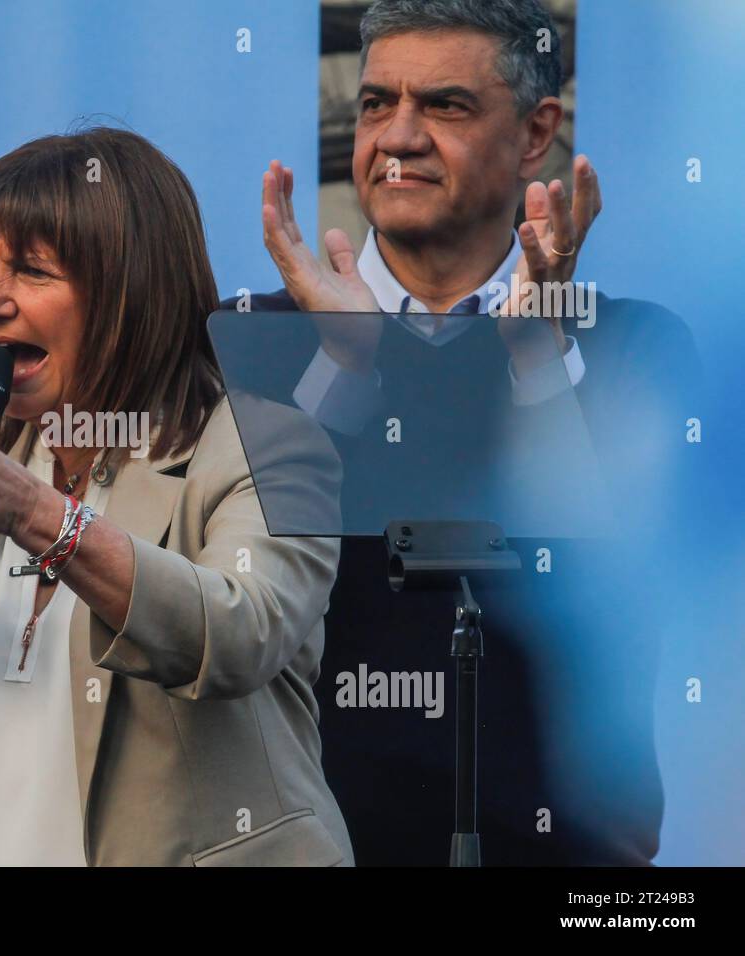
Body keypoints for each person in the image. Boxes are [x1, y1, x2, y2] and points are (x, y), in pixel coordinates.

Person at [224, 0, 699, 864]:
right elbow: (236, 591)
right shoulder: (251, 339)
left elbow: (620, 601)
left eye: (443, 105)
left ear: (534, 134)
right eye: (375, 104)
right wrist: (344, 368)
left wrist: (537, 358)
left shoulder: (636, 346)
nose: (396, 138)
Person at [0, 127, 352, 866]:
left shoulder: (263, 444)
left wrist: (42, 516)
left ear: (133, 288)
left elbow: (238, 632)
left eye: (32, 270)